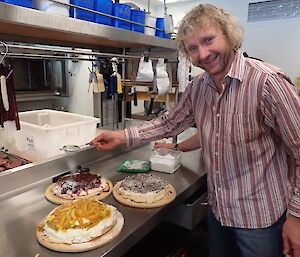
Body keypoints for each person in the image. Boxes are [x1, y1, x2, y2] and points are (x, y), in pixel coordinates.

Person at [91, 4, 300, 257]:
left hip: (260, 219)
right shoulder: (198, 87)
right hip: (219, 210)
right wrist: (122, 136)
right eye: (193, 48)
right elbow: (170, 123)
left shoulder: (267, 83)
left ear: (229, 34)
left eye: (208, 40)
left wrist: (297, 217)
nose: (203, 53)